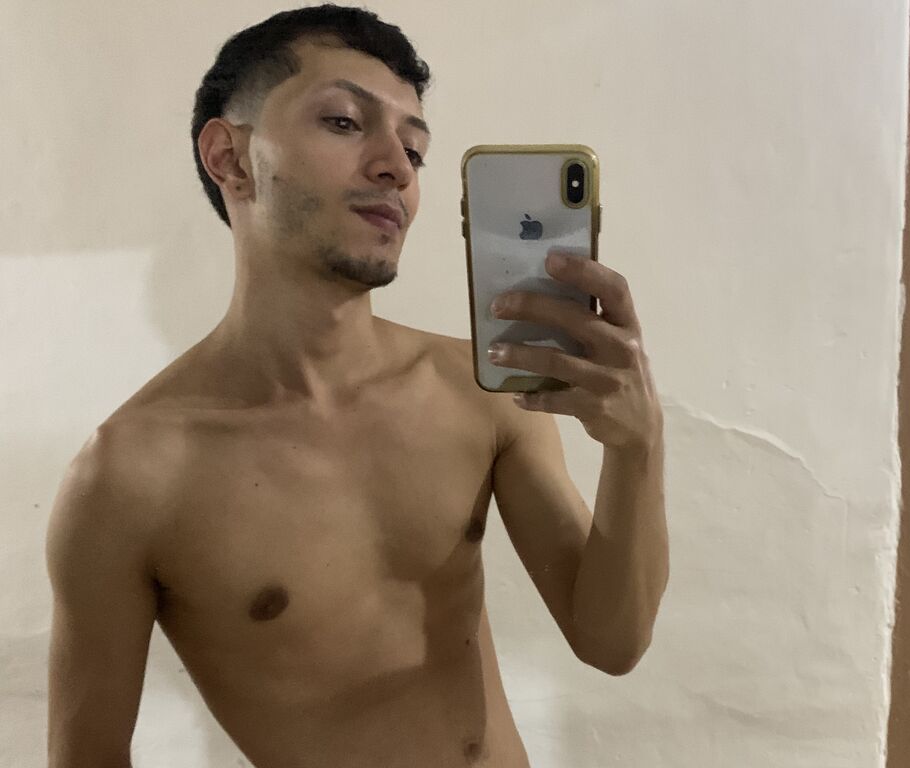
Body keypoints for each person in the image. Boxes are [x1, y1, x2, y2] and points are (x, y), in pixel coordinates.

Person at [44, 6, 668, 767]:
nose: (397, 168)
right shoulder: (129, 476)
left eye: (415, 149)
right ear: (230, 158)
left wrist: (637, 448)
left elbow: (612, 642)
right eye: (344, 122)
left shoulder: (481, 390)